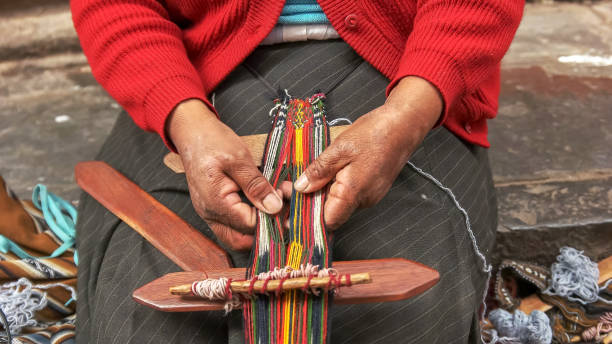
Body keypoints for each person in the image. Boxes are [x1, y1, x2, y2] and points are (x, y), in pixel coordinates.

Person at [71, 0, 524, 342]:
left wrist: (406, 116)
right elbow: (115, 8)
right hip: (192, 81)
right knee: (144, 318)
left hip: (405, 77)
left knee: (404, 315)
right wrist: (185, 121)